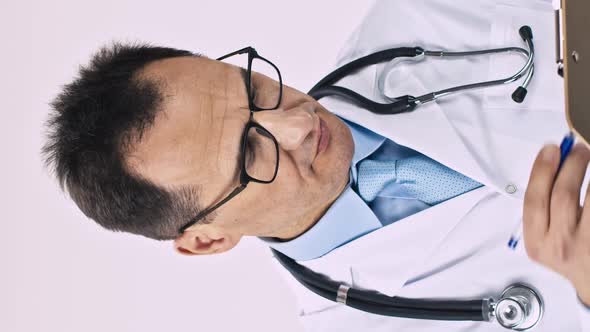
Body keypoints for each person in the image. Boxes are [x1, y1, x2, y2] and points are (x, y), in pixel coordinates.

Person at [44, 0, 589, 330]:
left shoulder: (416, 19)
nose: (300, 124)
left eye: (254, 89)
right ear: (207, 239)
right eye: (251, 153)